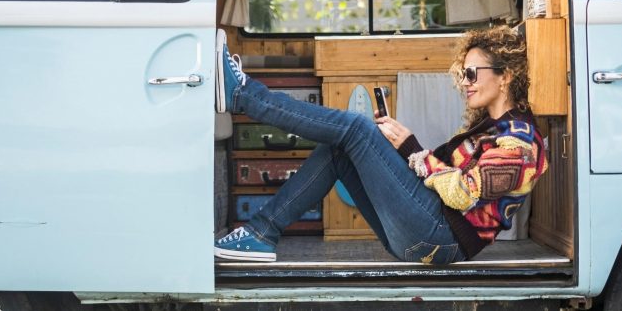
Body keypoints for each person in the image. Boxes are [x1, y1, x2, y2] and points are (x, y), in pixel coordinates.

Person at [213, 26, 547, 264]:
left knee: (356, 127)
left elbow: (463, 193)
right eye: (462, 74)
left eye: (471, 74)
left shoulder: (520, 142)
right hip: (432, 232)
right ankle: (261, 233)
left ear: (504, 76)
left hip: (441, 239)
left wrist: (411, 147)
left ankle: (242, 95)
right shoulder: (493, 127)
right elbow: (444, 183)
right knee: (340, 148)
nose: (464, 83)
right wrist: (403, 146)